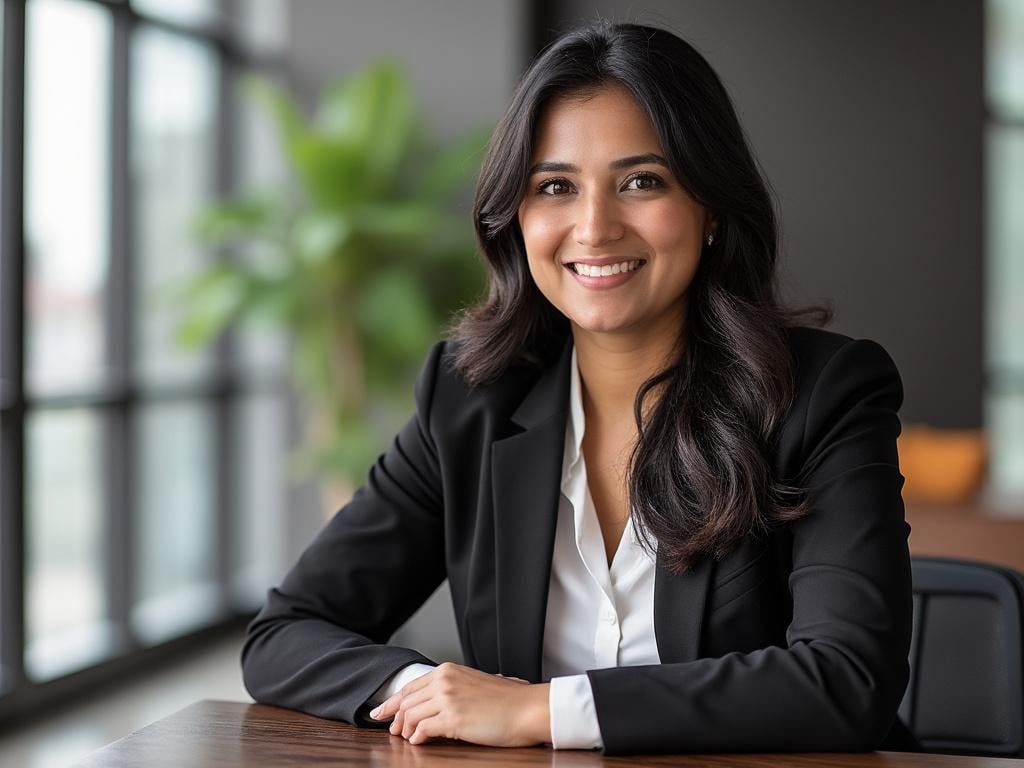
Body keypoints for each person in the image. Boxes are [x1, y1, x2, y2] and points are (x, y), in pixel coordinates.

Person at [241, 20, 914, 755]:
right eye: (555, 186)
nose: (593, 227)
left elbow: (844, 680)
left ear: (711, 206)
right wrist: (427, 698)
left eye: (642, 182)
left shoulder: (822, 394)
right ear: (518, 218)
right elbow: (286, 632)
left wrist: (538, 713)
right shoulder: (472, 400)